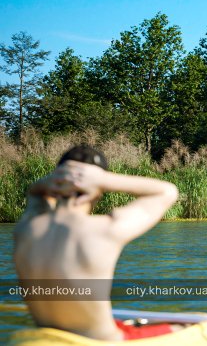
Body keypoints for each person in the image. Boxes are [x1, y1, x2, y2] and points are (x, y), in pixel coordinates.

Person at [13, 145, 179, 341]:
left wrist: (54, 181)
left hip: (39, 338)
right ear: (97, 190)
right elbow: (167, 192)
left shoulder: (25, 229)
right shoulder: (107, 229)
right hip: (101, 340)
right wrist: (100, 179)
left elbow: (34, 192)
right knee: (186, 325)